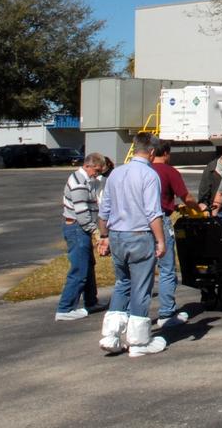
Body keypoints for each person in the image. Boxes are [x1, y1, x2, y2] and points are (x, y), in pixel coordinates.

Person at [95, 133, 168, 357]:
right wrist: (161, 240)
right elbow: (152, 212)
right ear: (152, 152)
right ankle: (138, 342)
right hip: (139, 235)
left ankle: (111, 334)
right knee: (141, 287)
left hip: (116, 234)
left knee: (122, 283)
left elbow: (104, 210)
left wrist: (104, 235)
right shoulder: (149, 175)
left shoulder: (116, 173)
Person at [148, 140, 198, 329]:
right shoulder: (169, 171)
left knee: (144, 270)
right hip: (161, 220)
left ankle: (135, 313)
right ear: (167, 153)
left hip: (140, 223)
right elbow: (186, 196)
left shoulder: (146, 170)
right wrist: (197, 206)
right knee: (167, 268)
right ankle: (167, 312)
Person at [55, 151, 108, 321]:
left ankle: (91, 301)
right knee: (79, 269)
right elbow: (82, 212)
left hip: (81, 228)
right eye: (97, 170)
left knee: (88, 265)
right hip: (77, 228)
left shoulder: (88, 180)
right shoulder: (78, 182)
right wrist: (96, 232)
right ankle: (65, 308)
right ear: (88, 166)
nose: (98, 174)